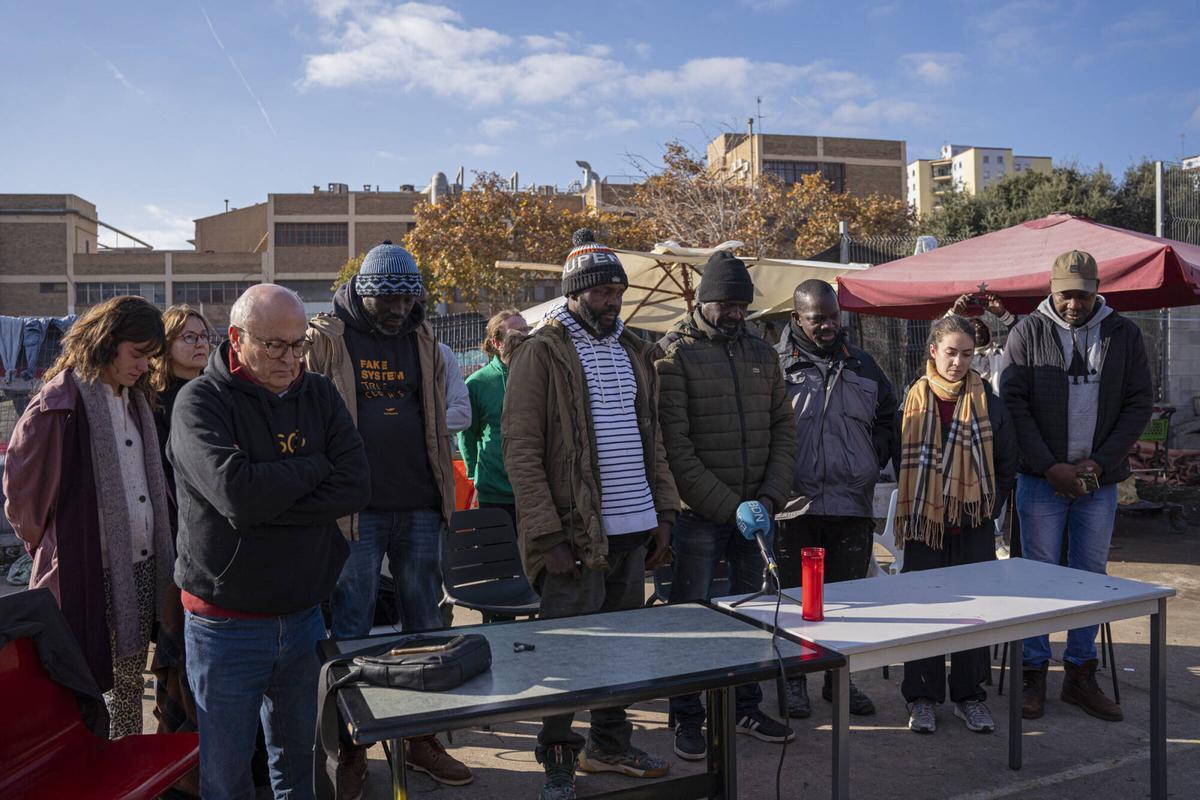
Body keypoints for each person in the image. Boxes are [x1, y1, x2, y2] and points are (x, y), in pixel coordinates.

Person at [169, 284, 369, 800]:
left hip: (303, 613)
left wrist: (270, 490)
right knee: (228, 772)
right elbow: (239, 496)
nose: (290, 357)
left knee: (298, 761)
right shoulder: (199, 403)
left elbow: (355, 484)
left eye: (298, 343)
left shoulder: (319, 393)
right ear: (236, 339)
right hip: (225, 624)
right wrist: (314, 467)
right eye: (274, 344)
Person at [503, 229, 679, 800]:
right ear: (574, 294)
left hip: (633, 528)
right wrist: (546, 532)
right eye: (601, 291)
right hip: (574, 539)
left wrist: (664, 513)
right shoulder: (541, 350)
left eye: (617, 291)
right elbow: (521, 449)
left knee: (620, 648)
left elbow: (652, 440)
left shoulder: (633, 350)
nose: (612, 300)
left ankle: (609, 744)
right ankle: (557, 757)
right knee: (567, 652)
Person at [306, 242, 472, 790]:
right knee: (351, 627)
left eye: (409, 298)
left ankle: (420, 739)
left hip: (421, 504)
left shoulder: (425, 337)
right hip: (357, 511)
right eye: (389, 300)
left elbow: (444, 414)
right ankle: (353, 749)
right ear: (363, 292)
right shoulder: (328, 338)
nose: (400, 309)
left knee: (426, 626)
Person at [4, 296, 171, 740]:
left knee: (131, 683)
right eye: (137, 354)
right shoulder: (57, 405)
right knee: (84, 687)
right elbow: (22, 498)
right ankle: (95, 768)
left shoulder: (136, 399)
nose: (143, 366)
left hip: (142, 567)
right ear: (106, 341)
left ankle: (127, 765)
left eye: (150, 357)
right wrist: (54, 548)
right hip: (85, 573)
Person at [654, 251, 795, 759]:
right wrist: (727, 504)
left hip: (757, 513)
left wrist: (769, 497)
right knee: (691, 617)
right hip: (699, 518)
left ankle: (745, 705)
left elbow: (784, 430)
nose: (737, 313)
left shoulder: (763, 353)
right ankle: (687, 716)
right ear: (702, 300)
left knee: (751, 616)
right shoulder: (672, 355)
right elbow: (675, 447)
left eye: (743, 305)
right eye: (726, 304)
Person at [1000, 250, 1152, 722]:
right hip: (1040, 480)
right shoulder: (1026, 332)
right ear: (1052, 288)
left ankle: (1081, 674)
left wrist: (1097, 466)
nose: (1073, 303)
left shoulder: (1123, 333)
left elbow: (1138, 402)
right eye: (1065, 293)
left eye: (1082, 294)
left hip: (1098, 482)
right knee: (1038, 576)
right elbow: (1014, 402)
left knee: (1089, 575)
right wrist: (1050, 467)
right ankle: (1034, 672)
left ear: (1096, 290)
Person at [774, 279, 896, 719]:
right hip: (794, 507)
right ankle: (794, 682)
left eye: (833, 316)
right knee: (795, 603)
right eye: (816, 318)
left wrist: (871, 458)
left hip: (850, 504)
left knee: (847, 604)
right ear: (796, 319)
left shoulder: (863, 364)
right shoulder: (775, 367)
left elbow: (890, 416)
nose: (827, 326)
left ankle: (838, 680)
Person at [895, 316, 1017, 734]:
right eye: (951, 352)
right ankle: (922, 698)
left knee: (972, 616)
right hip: (925, 527)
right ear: (933, 351)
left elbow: (1006, 463)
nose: (959, 362)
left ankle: (969, 697)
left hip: (973, 526)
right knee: (924, 614)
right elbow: (901, 462)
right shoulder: (912, 399)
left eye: (967, 354)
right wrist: (928, 503)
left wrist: (983, 508)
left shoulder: (990, 402)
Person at [147, 304, 214, 797]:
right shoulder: (148, 404)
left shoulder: (217, 394)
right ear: (165, 344)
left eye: (204, 335)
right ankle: (179, 776)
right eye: (187, 336)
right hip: (168, 545)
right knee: (176, 664)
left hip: (211, 540)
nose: (198, 343)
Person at [459, 309, 530, 526]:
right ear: (497, 343)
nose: (525, 337)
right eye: (517, 332)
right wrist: (473, 474)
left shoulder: (538, 375)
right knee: (498, 556)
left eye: (527, 330)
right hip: (494, 489)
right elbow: (467, 434)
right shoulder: (477, 383)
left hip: (534, 489)